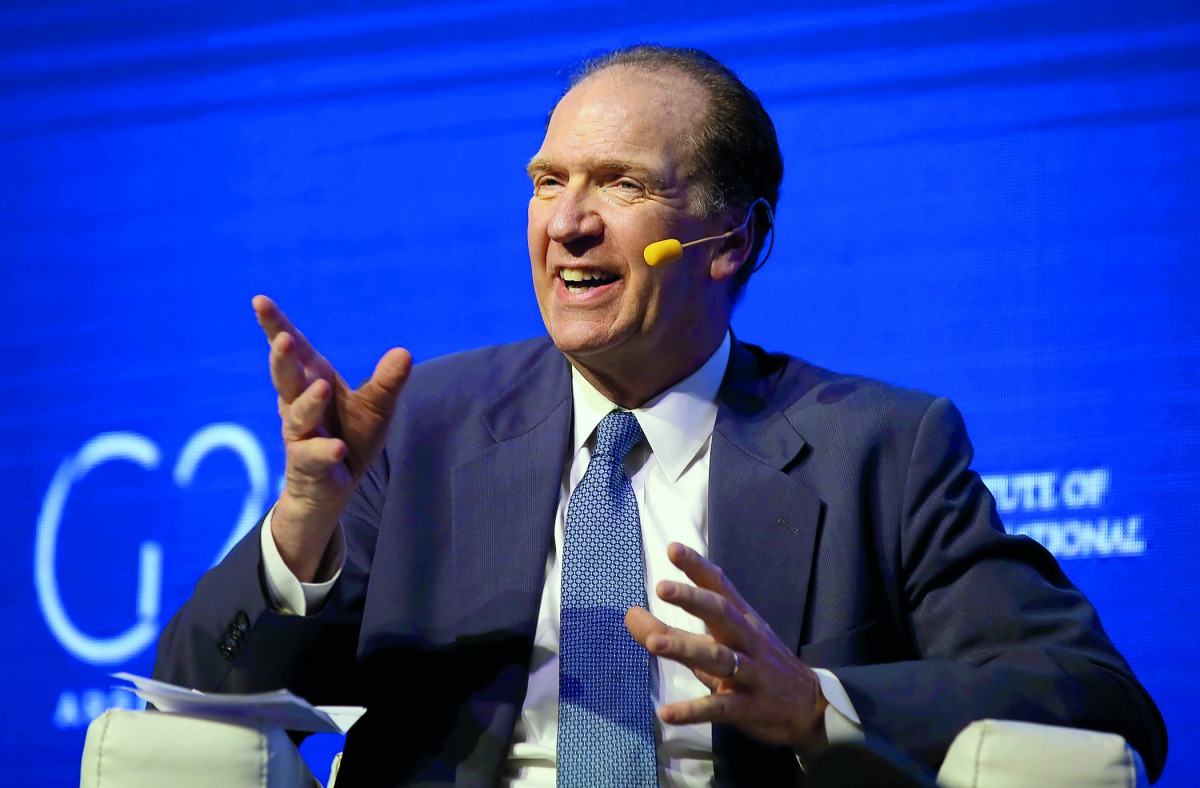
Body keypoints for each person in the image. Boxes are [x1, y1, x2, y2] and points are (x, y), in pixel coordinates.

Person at [153, 45, 1167, 786]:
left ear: (733, 242)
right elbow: (195, 694)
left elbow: (1098, 699)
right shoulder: (424, 426)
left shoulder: (880, 449)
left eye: (622, 184)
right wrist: (302, 522)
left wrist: (819, 703)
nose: (567, 222)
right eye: (548, 182)